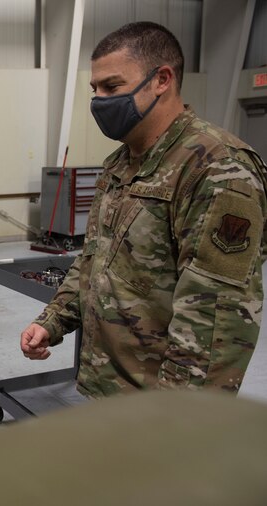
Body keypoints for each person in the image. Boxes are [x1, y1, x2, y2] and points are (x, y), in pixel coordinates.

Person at [20, 22, 267, 398]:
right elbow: (94, 262)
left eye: (112, 86)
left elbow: (215, 321)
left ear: (162, 79)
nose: (99, 100)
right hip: (108, 390)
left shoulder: (218, 169)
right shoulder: (119, 164)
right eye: (94, 89)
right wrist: (52, 321)